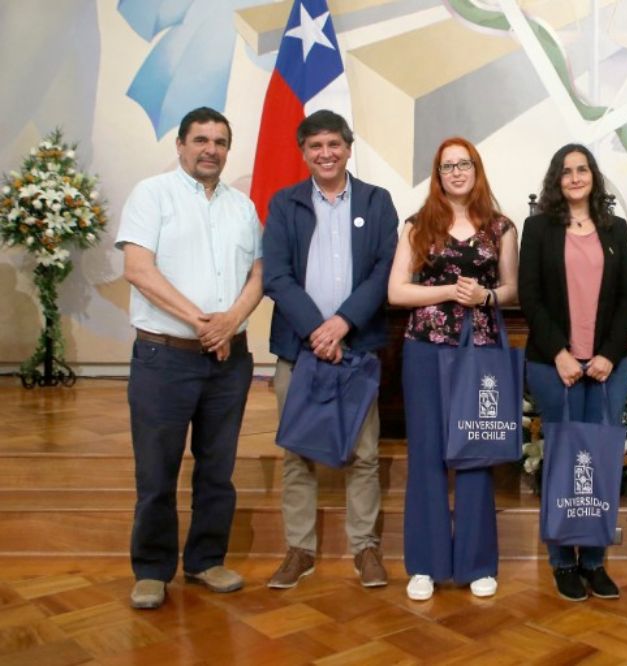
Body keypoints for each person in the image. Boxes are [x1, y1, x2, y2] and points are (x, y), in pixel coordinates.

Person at [117, 106, 263, 610]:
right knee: (156, 471)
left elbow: (259, 275)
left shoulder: (243, 207)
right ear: (180, 145)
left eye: (220, 141)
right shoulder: (151, 195)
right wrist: (206, 324)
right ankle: (153, 569)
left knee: (217, 468)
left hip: (229, 361)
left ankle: (205, 559)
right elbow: (139, 270)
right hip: (165, 358)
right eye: (200, 140)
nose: (210, 150)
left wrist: (230, 321)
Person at [262, 110, 398, 590]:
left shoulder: (378, 201)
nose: (325, 153)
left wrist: (341, 324)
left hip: (357, 348)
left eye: (334, 145)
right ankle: (300, 549)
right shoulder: (285, 204)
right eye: (315, 146)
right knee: (298, 453)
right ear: (304, 152)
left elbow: (384, 270)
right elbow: (275, 274)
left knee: (363, 454)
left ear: (348, 147)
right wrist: (318, 331)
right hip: (299, 350)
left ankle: (365, 548)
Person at [388, 137, 518, 601]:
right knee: (425, 454)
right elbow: (397, 292)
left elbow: (510, 290)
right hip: (425, 350)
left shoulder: (501, 227)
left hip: (479, 353)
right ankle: (425, 564)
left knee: (475, 452)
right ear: (438, 175)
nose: (457, 172)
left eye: (464, 164)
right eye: (448, 166)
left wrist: (483, 296)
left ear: (476, 169)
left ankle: (477, 563)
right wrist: (445, 292)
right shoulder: (418, 225)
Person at [519, 143, 627, 602]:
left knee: (601, 462)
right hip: (555, 367)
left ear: (593, 176)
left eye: (582, 169)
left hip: (608, 367)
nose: (574, 177)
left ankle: (594, 561)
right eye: (565, 171)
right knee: (563, 461)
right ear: (556, 179)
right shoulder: (539, 228)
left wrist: (608, 353)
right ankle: (562, 561)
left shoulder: (616, 229)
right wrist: (561, 354)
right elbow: (530, 296)